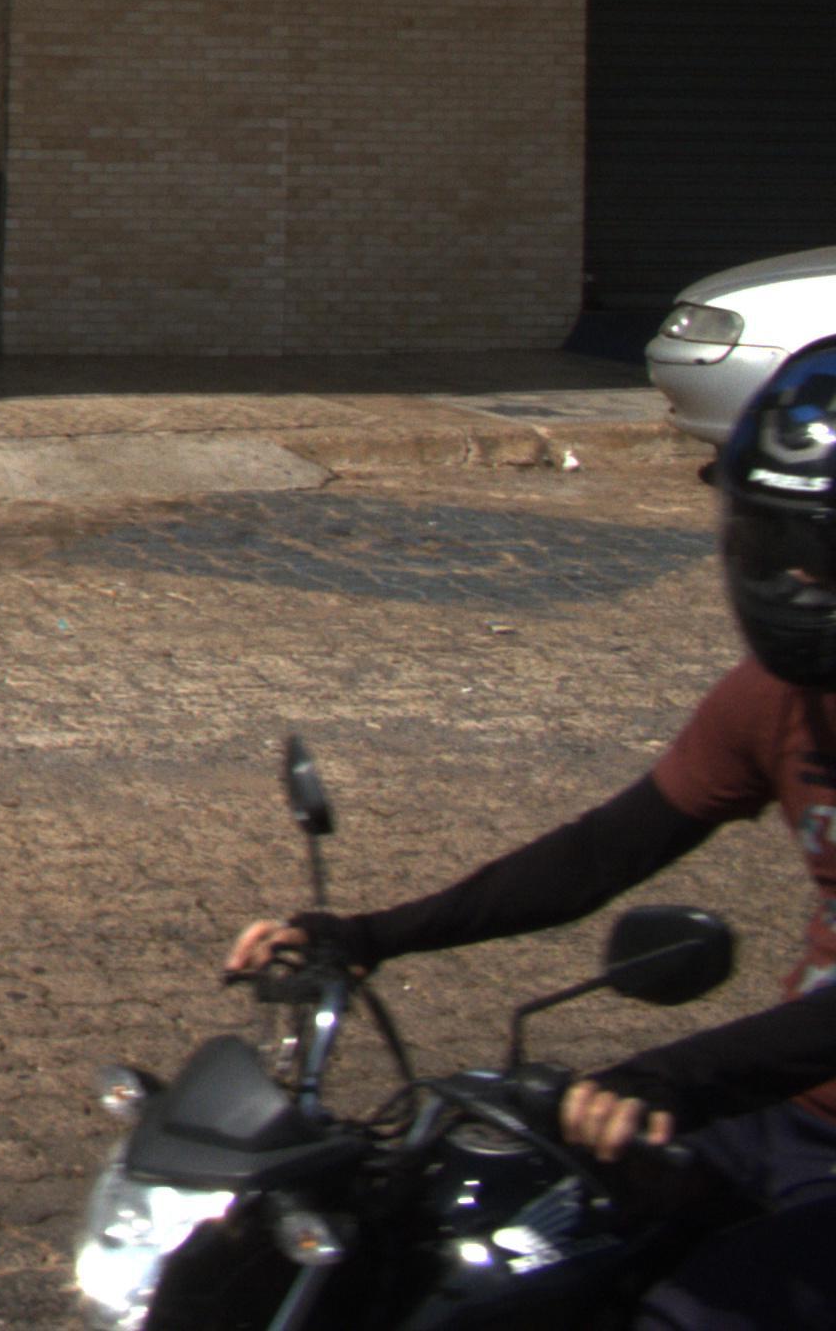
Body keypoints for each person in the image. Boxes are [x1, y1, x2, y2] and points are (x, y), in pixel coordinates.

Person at [227, 339, 836, 1330]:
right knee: (523, 1257)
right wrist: (370, 936)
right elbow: (603, 853)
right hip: (785, 1115)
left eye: (827, 552)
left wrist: (672, 1077)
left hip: (782, 1113)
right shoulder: (776, 700)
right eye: (776, 545)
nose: (798, 579)